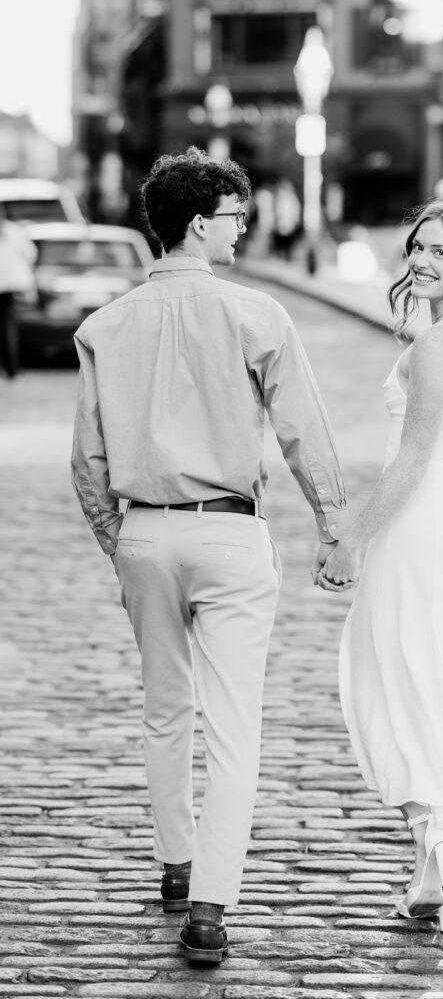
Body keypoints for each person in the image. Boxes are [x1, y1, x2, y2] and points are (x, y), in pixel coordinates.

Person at [70, 146, 346, 962]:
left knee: (165, 708)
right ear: (198, 222)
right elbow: (303, 431)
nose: (242, 230)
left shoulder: (104, 325)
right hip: (228, 529)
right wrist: (332, 523)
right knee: (233, 724)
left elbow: (87, 459)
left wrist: (119, 540)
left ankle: (175, 860)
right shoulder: (257, 314)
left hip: (145, 531)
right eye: (235, 217)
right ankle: (209, 910)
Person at [316, 201, 443, 932]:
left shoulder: (441, 343)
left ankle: (430, 833)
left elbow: (412, 458)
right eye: (416, 249)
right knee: (438, 680)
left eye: (438, 251)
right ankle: (427, 864)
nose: (421, 261)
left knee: (386, 677)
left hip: (424, 520)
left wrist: (353, 538)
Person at [0, 214, 36, 378]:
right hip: (12, 285)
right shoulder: (15, 231)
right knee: (8, 326)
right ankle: (11, 368)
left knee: (7, 326)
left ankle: (10, 366)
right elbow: (30, 254)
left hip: (9, 285)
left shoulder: (13, 231)